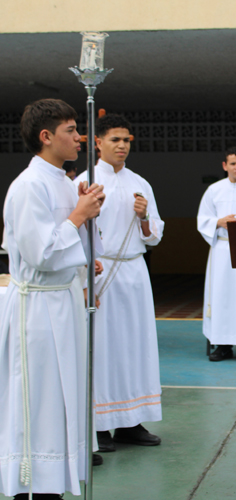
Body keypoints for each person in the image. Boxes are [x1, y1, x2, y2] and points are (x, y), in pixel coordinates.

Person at [0, 98, 105, 499]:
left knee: (64, 399)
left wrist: (88, 215)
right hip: (38, 310)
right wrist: (78, 216)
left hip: (64, 304)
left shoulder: (63, 182)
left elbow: (78, 247)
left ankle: (55, 485)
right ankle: (34, 487)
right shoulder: (29, 185)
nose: (80, 138)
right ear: (46, 136)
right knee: (40, 400)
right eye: (70, 130)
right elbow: (40, 254)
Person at [74, 114, 164, 453]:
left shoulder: (140, 183)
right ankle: (99, 425)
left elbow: (154, 235)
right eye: (115, 139)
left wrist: (143, 216)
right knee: (102, 348)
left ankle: (130, 422)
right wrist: (84, 274)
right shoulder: (84, 182)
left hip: (134, 272)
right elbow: (74, 232)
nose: (122, 145)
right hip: (100, 271)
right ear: (98, 142)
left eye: (127, 140)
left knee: (135, 346)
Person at [197, 147, 236, 361]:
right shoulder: (214, 190)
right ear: (225, 166)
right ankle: (222, 345)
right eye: (232, 163)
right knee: (221, 296)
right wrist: (219, 222)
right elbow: (203, 219)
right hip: (221, 249)